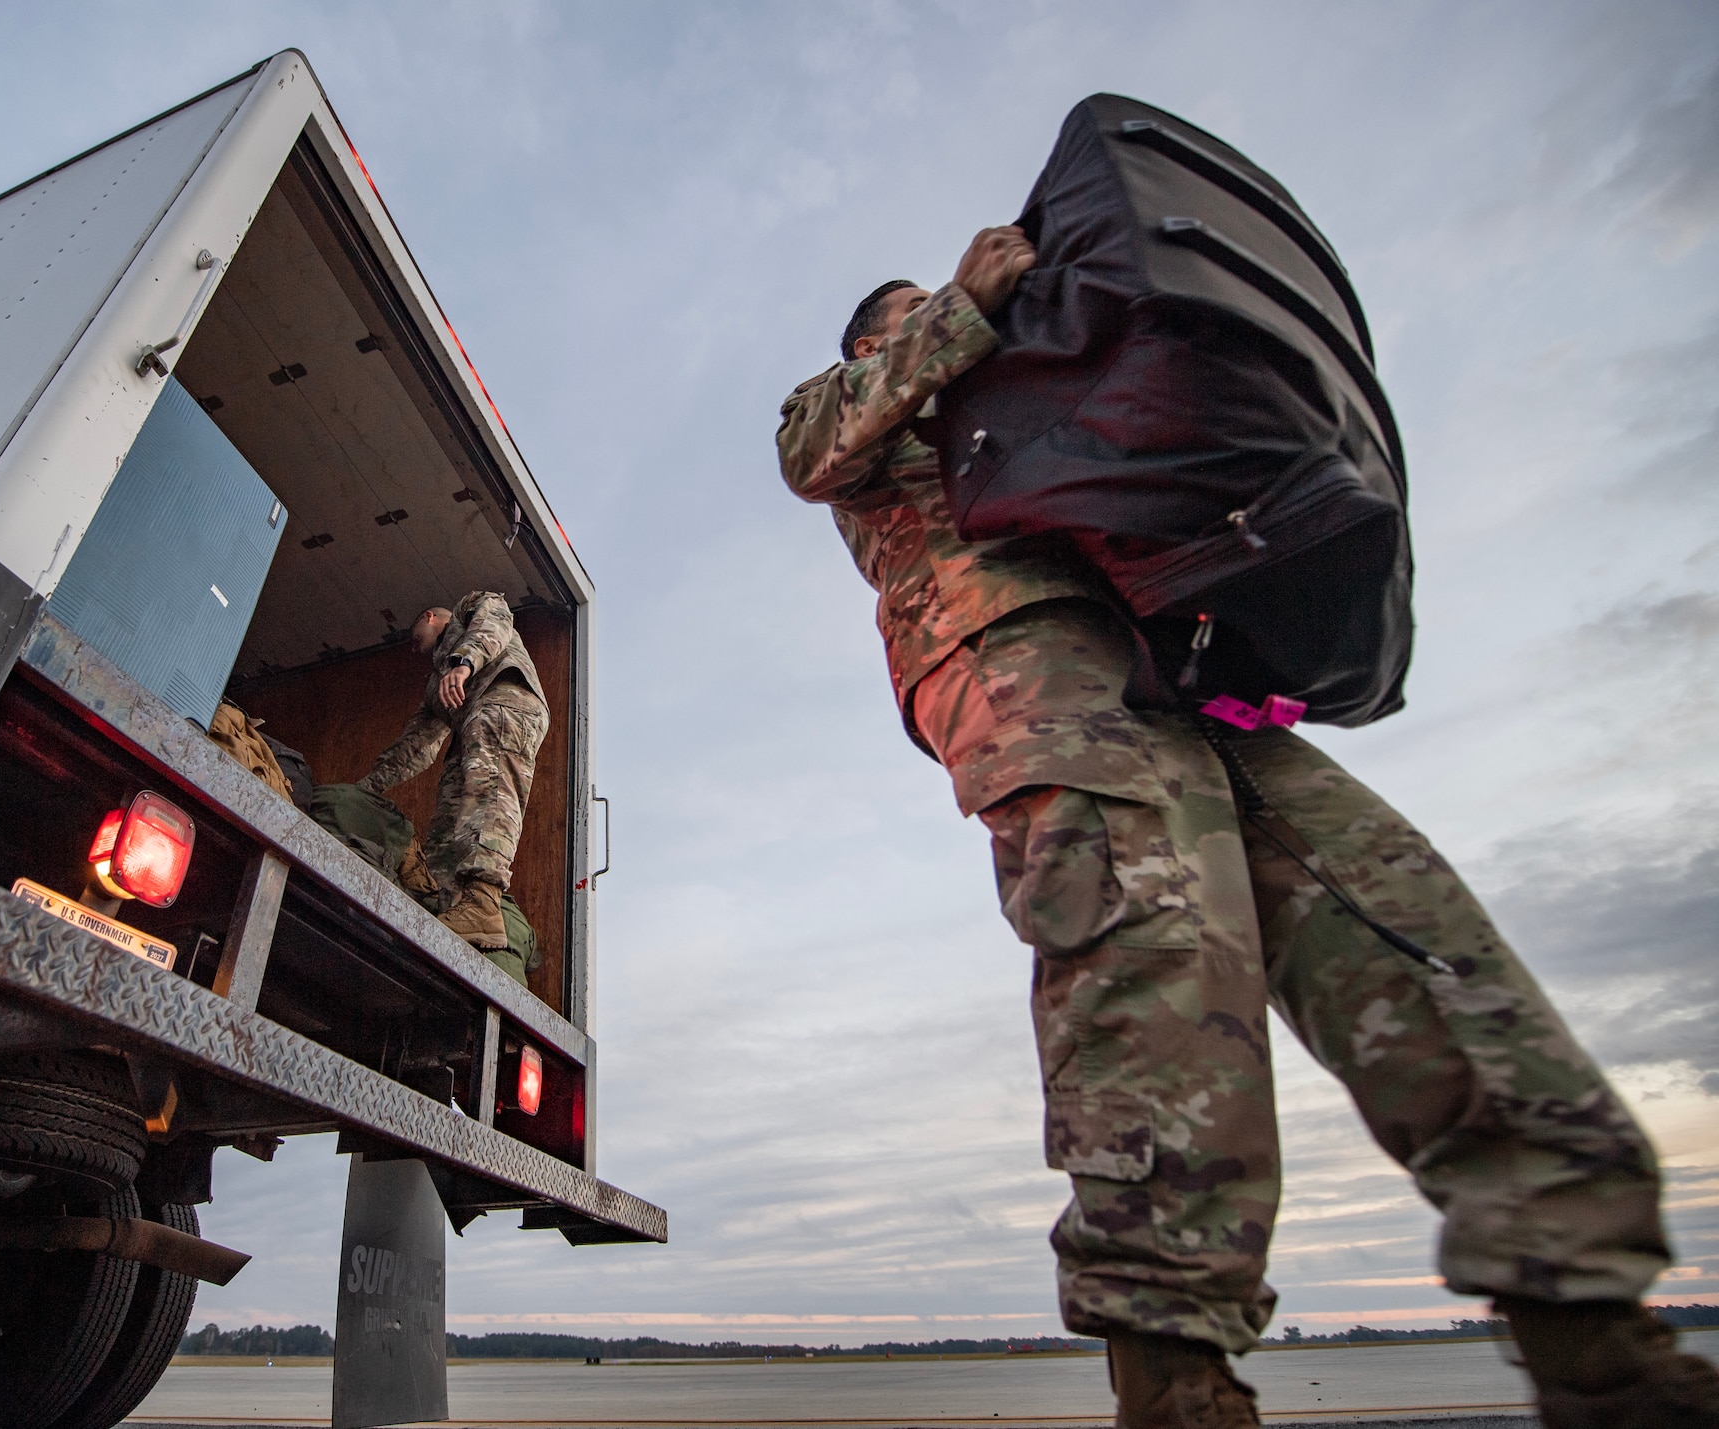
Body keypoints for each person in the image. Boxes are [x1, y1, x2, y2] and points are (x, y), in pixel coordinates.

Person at [775, 228, 1718, 1428]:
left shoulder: (1036, 397)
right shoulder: (849, 409)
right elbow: (813, 448)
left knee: (1400, 924)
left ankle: (1594, 1338)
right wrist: (954, 302)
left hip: (1189, 672)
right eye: (912, 312)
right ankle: (1175, 1383)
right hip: (1022, 661)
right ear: (873, 338)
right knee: (1150, 957)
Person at [361, 592, 547, 986]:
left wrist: (464, 664)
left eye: (415, 635)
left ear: (430, 617)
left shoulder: (470, 608)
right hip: (471, 725)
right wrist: (366, 787)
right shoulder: (437, 686)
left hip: (505, 701)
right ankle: (457, 915)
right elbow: (416, 746)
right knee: (445, 822)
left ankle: (482, 898)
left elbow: (495, 623)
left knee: (489, 791)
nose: (413, 647)